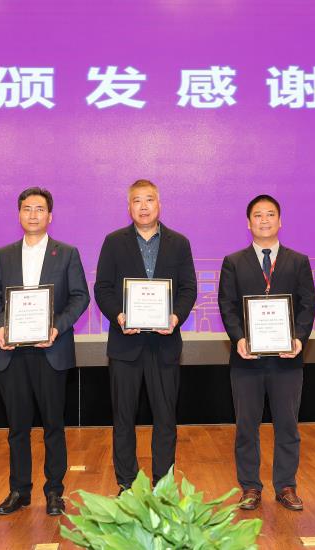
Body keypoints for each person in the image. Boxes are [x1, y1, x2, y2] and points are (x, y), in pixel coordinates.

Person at [0, 187, 90, 516]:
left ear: (50, 216)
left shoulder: (67, 253)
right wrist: (1, 327)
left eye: (39, 209)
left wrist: (55, 327)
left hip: (51, 350)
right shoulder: (3, 254)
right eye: (27, 208)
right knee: (17, 427)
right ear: (19, 214)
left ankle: (54, 491)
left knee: (53, 425)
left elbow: (80, 297)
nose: (33, 214)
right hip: (12, 352)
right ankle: (19, 490)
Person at [93, 179, 197, 492]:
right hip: (125, 344)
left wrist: (175, 317)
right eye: (137, 200)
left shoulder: (179, 243)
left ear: (159, 204)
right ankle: (126, 484)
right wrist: (119, 316)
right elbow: (103, 288)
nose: (143, 206)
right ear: (129, 207)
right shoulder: (114, 242)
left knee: (165, 418)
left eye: (149, 199)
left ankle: (162, 484)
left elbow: (188, 288)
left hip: (165, 344)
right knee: (123, 418)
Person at [217, 194, 315, 511]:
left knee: (287, 425)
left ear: (280, 221)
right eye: (257, 215)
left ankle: (286, 486)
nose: (264, 220)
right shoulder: (233, 262)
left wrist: (299, 338)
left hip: (288, 360)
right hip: (246, 360)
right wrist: (238, 338)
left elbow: (308, 305)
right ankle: (250, 486)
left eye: (270, 214)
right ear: (248, 223)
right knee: (247, 427)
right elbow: (227, 305)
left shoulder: (298, 261)